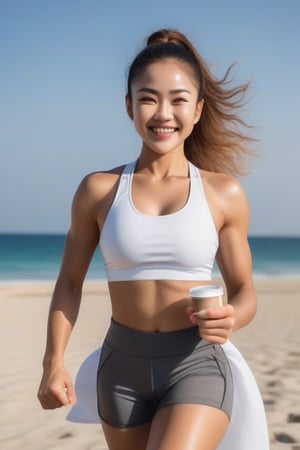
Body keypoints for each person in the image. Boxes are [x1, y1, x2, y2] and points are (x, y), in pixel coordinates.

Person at [38, 29, 269, 450]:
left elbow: (244, 290)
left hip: (195, 363)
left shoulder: (223, 193)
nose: (163, 113)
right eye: (148, 98)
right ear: (129, 107)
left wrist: (233, 316)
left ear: (198, 110)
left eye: (179, 100)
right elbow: (69, 284)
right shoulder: (98, 190)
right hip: (120, 370)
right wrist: (52, 363)